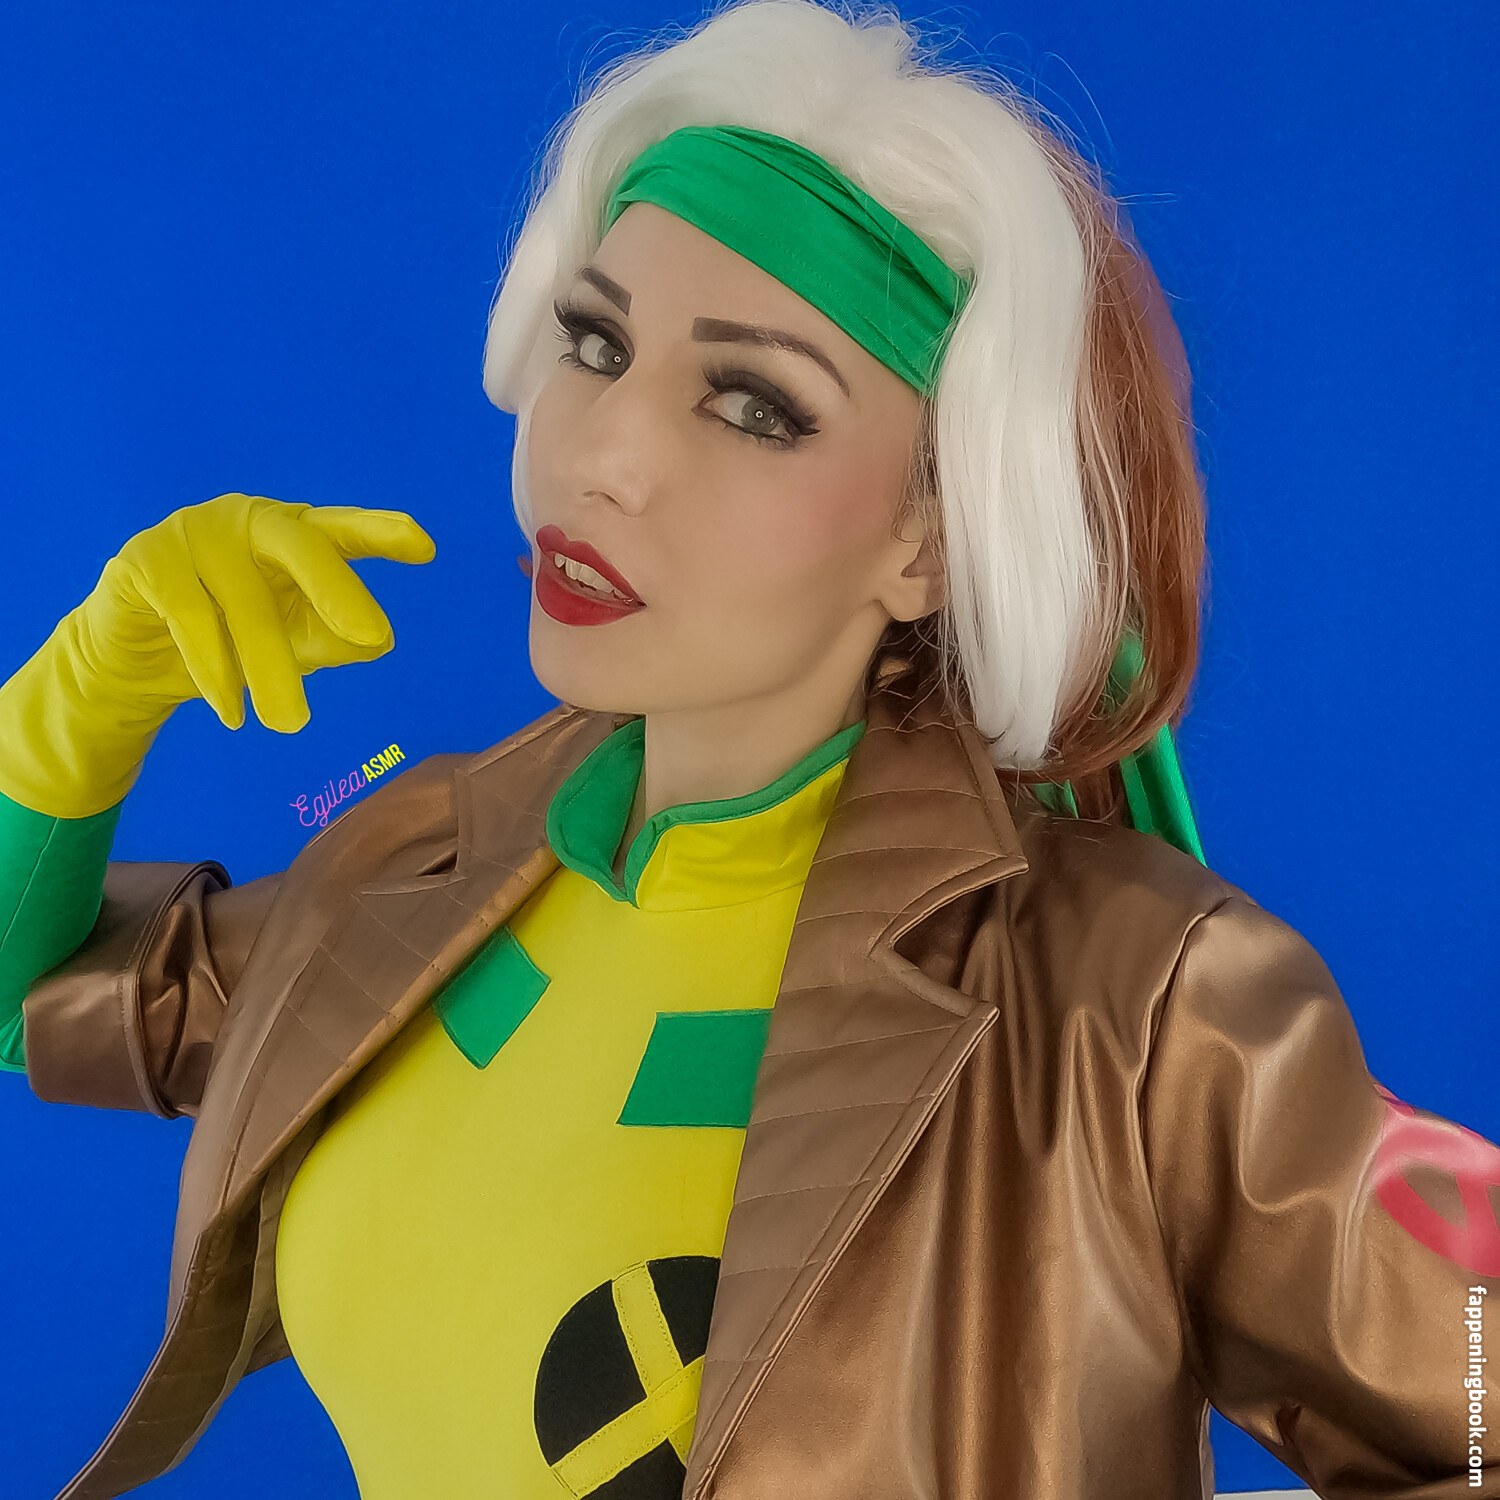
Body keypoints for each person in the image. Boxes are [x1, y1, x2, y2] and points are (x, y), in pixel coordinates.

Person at [0, 1, 1494, 1497]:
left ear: (930, 538)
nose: (602, 455)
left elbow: (1477, 1386)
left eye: (751, 406)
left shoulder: (1146, 1007)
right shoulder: (416, 874)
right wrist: (74, 716)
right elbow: (32, 1003)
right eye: (596, 342)